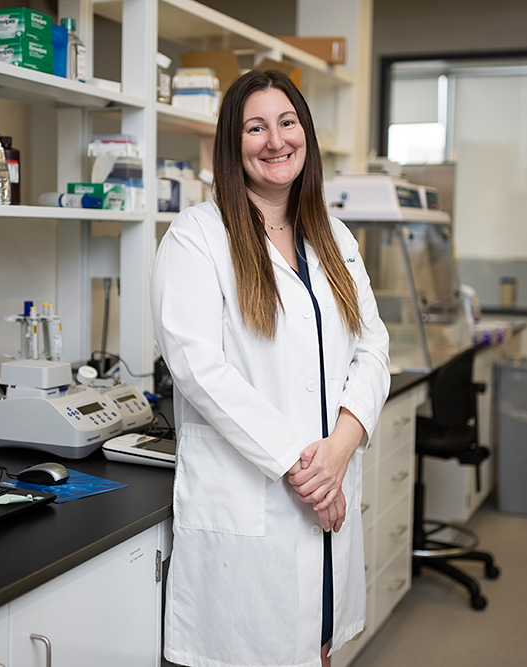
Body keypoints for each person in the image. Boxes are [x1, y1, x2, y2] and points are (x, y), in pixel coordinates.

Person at [150, 69, 390, 667]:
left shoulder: (333, 237)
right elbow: (198, 368)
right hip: (257, 507)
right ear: (234, 146)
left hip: (324, 491)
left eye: (287, 123)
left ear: (304, 133)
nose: (275, 140)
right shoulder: (196, 238)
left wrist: (337, 452)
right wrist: (303, 466)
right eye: (255, 128)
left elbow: (374, 347)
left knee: (320, 647)